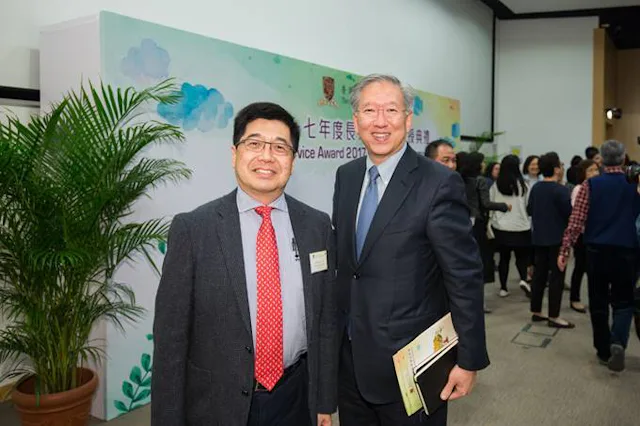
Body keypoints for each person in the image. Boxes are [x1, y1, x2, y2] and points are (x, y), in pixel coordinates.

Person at [151, 102, 338, 426]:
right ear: (234, 153)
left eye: (280, 147)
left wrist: (323, 401)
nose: (267, 156)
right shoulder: (194, 229)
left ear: (292, 161)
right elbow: (171, 340)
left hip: (294, 395)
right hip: (216, 402)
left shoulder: (316, 226)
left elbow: (325, 320)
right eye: (254, 144)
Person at [333, 74, 488, 426]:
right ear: (356, 121)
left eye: (391, 109)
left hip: (411, 368)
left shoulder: (438, 182)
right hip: (352, 362)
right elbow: (350, 267)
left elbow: (463, 275)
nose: (381, 121)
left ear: (408, 118)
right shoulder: (346, 176)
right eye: (369, 110)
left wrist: (469, 358)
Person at [559, 140, 640, 372]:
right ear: (624, 159)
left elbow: (576, 221)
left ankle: (603, 350)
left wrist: (565, 249)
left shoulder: (589, 185)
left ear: (601, 160)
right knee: (624, 302)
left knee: (598, 301)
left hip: (596, 250)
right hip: (628, 250)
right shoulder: (634, 185)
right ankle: (618, 342)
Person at [458, 152, 510, 313]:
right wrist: (504, 206)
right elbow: (485, 204)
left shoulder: (456, 179)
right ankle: (479, 303)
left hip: (460, 223)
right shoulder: (479, 181)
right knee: (479, 263)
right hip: (478, 225)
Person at [527, 152, 573, 328]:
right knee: (556, 278)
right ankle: (554, 315)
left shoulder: (536, 188)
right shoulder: (560, 190)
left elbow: (530, 209)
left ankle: (536, 311)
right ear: (556, 169)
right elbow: (569, 214)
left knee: (539, 276)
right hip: (557, 239)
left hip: (538, 237)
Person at [489, 155, 532, 298]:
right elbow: (528, 206)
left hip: (502, 227)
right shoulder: (524, 185)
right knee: (521, 258)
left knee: (504, 258)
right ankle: (524, 280)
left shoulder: (496, 185)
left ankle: (503, 288)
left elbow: (491, 205)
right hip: (521, 226)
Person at [568, 159, 600, 314]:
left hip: (596, 233)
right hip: (582, 234)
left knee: (594, 268)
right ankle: (574, 298)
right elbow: (578, 212)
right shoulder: (579, 189)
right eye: (590, 170)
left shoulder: (599, 187)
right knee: (580, 267)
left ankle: (595, 299)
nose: (594, 173)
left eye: (596, 170)